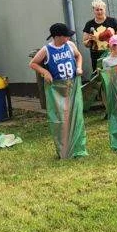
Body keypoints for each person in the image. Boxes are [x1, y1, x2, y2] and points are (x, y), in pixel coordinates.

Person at [29, 23, 88, 159]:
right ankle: (65, 150)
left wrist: (79, 67)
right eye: (66, 36)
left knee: (76, 117)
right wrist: (45, 72)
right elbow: (33, 63)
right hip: (57, 89)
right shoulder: (46, 49)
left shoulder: (70, 45)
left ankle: (78, 149)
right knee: (61, 119)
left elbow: (78, 56)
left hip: (72, 86)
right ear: (58, 36)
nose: (69, 38)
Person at [82, 0, 117, 71]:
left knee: (115, 74)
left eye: (101, 9)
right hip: (97, 56)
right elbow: (85, 43)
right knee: (100, 75)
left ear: (104, 10)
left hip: (113, 55)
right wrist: (90, 40)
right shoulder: (89, 24)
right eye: (97, 10)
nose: (99, 12)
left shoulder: (112, 21)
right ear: (93, 10)